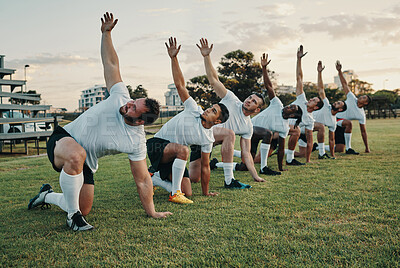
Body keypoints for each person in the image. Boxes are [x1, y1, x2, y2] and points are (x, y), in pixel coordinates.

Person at [28, 12, 172, 231]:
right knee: (77, 156)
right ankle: (73, 219)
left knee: (81, 206)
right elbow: (111, 64)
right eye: (134, 101)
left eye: (134, 108)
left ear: (140, 122)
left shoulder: (136, 142)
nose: (129, 104)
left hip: (85, 163)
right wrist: (106, 34)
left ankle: (46, 196)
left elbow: (143, 179)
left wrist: (151, 212)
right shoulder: (120, 96)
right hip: (63, 140)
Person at [147, 37, 229, 204]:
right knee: (184, 150)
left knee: (189, 192)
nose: (208, 109)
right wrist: (173, 58)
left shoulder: (208, 139)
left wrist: (206, 193)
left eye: (213, 111)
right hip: (157, 145)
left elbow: (205, 167)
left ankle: (154, 178)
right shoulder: (193, 108)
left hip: (175, 155)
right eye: (210, 107)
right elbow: (180, 86)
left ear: (218, 121)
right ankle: (174, 193)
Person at [189, 38, 265, 190]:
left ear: (257, 110)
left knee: (194, 178)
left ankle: (160, 171)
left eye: (254, 102)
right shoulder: (232, 99)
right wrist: (206, 56)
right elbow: (213, 80)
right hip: (200, 131)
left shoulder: (247, 127)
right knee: (229, 134)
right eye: (250, 97)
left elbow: (247, 154)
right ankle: (229, 181)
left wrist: (255, 175)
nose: (249, 101)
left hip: (207, 144)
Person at [237, 53, 303, 175]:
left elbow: (281, 149)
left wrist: (280, 167)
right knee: (268, 133)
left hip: (256, 135)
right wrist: (263, 68)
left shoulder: (284, 127)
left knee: (245, 166)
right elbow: (269, 86)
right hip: (249, 127)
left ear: (293, 115)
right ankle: (264, 168)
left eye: (292, 108)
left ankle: (216, 164)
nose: (289, 106)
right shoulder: (277, 104)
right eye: (290, 105)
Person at [296, 61, 347, 159]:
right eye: (337, 101)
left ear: (340, 110)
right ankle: (321, 153)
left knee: (302, 155)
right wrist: (319, 73)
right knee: (321, 126)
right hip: (301, 125)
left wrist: (332, 155)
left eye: (339, 103)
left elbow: (332, 139)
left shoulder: (333, 122)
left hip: (306, 132)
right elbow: (321, 89)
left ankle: (282, 151)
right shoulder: (326, 105)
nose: (336, 102)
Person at [285, 45, 324, 165]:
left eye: (314, 100)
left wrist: (308, 160)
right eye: (312, 98)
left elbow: (310, 141)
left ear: (316, 107)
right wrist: (299, 59)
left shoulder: (309, 120)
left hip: (286, 131)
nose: (311, 98)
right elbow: (299, 78)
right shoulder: (302, 99)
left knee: (257, 160)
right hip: (275, 123)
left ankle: (288, 156)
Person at [329, 60, 371, 154]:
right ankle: (349, 149)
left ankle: (317, 147)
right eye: (362, 95)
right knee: (349, 123)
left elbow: (363, 132)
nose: (361, 96)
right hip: (334, 118)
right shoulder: (352, 98)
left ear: (365, 103)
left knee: (339, 149)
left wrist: (367, 148)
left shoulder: (361, 115)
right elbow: (344, 84)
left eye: (364, 97)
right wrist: (339, 71)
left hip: (341, 125)